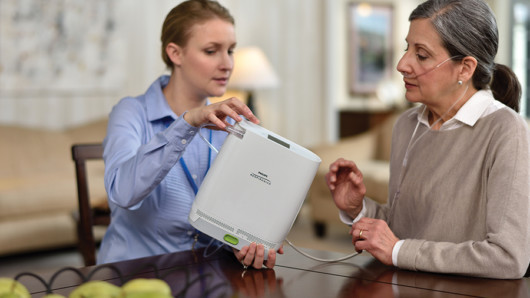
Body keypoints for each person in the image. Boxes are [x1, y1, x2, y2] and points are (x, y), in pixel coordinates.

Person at [326, 0, 530, 279]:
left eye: (421, 55)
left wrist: (398, 251)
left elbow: (507, 258)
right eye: (406, 48)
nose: (402, 64)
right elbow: (405, 231)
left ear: (465, 68)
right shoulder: (406, 125)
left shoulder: (506, 131)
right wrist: (358, 208)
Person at [98, 0, 283, 268]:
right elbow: (122, 192)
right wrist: (187, 123)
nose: (227, 64)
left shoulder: (233, 123)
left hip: (209, 277)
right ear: (175, 53)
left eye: (230, 50)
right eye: (211, 51)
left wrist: (245, 245)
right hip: (136, 275)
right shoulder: (131, 112)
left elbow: (241, 212)